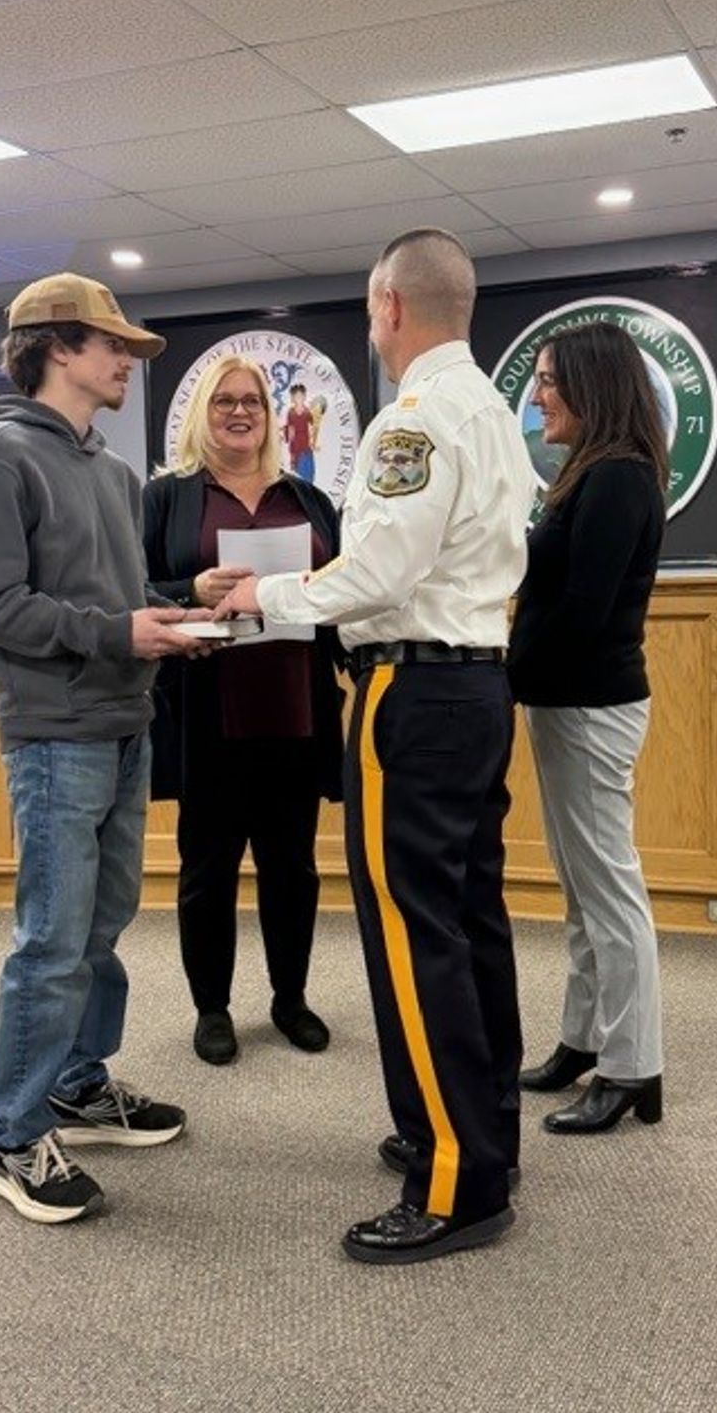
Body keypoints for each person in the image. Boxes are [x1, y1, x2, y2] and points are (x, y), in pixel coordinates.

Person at [222, 228, 536, 1263]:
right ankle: (481, 1133)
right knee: (467, 920)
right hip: (479, 687)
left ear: (391, 306)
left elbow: (379, 575)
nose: (370, 328)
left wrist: (257, 597)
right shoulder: (488, 410)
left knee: (413, 933)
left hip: (413, 689)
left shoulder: (417, 420)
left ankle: (454, 1179)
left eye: (367, 312)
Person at [0, 272, 209, 1225]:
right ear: (58, 347)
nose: (128, 365)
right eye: (114, 349)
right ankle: (12, 1136)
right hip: (55, 736)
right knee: (52, 942)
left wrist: (181, 605)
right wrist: (118, 634)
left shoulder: (111, 472)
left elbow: (112, 596)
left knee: (101, 928)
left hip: (125, 723)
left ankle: (78, 1083)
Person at [143, 354, 343, 1066]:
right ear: (205, 413)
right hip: (207, 711)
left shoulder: (308, 499)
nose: (240, 412)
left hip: (297, 706)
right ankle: (213, 1009)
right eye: (225, 400)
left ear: (271, 413)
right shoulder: (167, 497)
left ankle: (290, 1000)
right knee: (208, 868)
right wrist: (190, 586)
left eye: (252, 401)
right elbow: (134, 584)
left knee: (294, 867)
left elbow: (346, 588)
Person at [507, 322, 668, 1134]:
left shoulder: (619, 479)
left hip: (591, 706)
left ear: (589, 383)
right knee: (582, 890)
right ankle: (582, 1039)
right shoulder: (587, 473)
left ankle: (633, 1065)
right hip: (565, 703)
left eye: (546, 381)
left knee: (610, 890)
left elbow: (582, 612)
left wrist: (500, 676)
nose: (537, 398)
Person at [282, 383, 316, 482]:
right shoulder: (291, 413)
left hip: (306, 445)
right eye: (296, 396)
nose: (299, 399)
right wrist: (288, 439)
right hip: (296, 445)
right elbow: (290, 429)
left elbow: (312, 428)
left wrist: (313, 442)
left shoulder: (308, 412)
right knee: (296, 472)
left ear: (304, 396)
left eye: (301, 396)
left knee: (308, 471)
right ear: (292, 398)